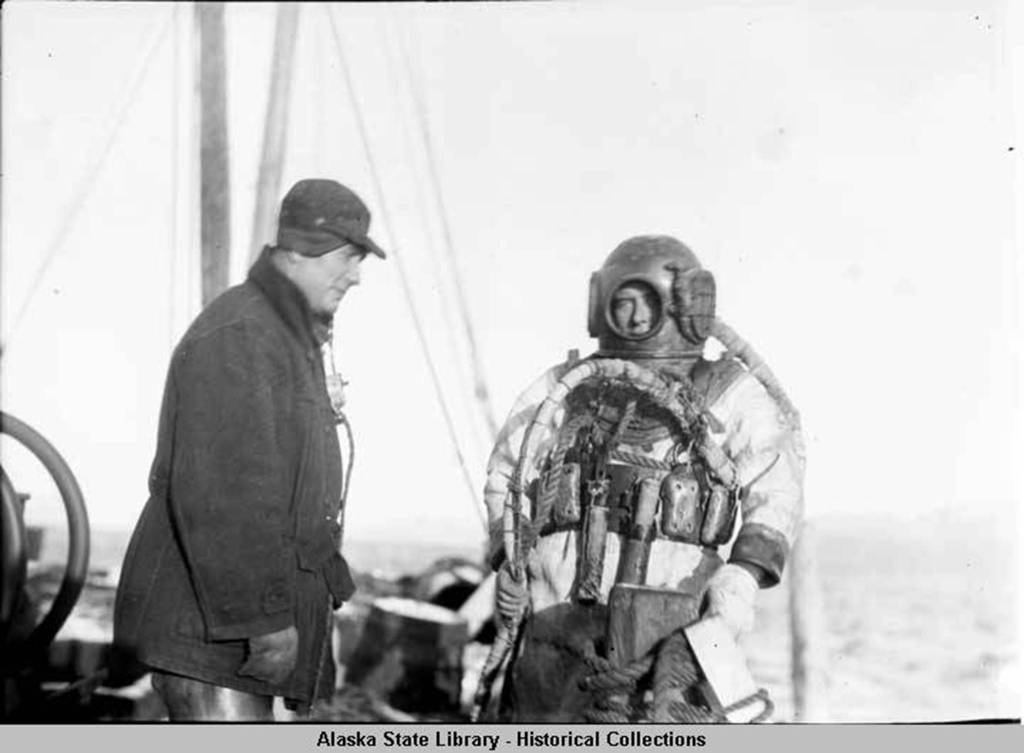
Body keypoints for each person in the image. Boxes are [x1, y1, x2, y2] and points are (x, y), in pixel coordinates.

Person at [482, 235, 804, 722]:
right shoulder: (562, 390)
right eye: (622, 305)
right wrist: (511, 554)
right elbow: (507, 472)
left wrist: (741, 578)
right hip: (558, 636)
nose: (633, 321)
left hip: (670, 638)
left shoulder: (729, 395)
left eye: (646, 305)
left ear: (685, 309)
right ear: (600, 306)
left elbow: (776, 489)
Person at [114, 179, 385, 720]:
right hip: (210, 635)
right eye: (349, 257)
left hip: (221, 631)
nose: (356, 277)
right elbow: (228, 495)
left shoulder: (280, 337)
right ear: (301, 248)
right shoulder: (244, 335)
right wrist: (260, 620)